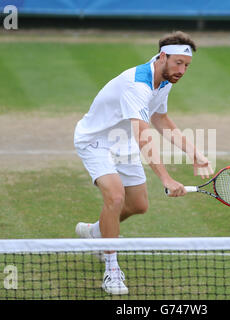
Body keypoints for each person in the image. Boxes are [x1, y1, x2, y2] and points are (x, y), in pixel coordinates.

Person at [74, 31, 213, 295]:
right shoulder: (137, 85)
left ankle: (96, 232)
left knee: (138, 205)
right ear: (163, 56)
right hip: (96, 141)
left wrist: (193, 152)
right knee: (115, 198)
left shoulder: (166, 79)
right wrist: (166, 178)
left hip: (121, 140)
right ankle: (112, 270)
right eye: (178, 64)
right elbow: (144, 137)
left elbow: (160, 119)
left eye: (187, 66)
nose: (182, 70)